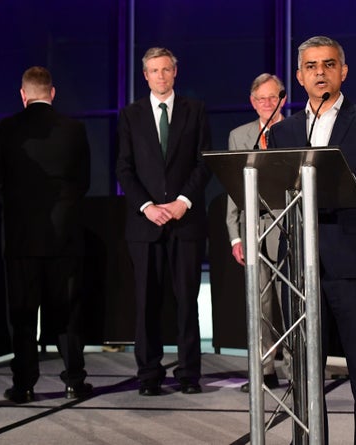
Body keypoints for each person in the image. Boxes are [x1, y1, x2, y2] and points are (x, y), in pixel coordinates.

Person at [267, 36, 356, 444]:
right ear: (300, 76)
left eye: (328, 64)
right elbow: (273, 187)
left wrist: (338, 177)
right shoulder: (284, 130)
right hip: (299, 268)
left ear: (343, 71)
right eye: (311, 66)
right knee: (304, 373)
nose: (319, 72)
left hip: (354, 264)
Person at [0, 66, 92, 403]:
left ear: (23, 94)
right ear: (52, 92)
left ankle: (24, 385)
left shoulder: (7, 128)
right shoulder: (74, 129)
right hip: (65, 236)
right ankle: (74, 380)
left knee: (22, 313)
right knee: (68, 311)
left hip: (21, 237)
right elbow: (83, 181)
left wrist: (20, 209)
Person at [116, 47, 212, 396]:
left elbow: (204, 162)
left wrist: (183, 202)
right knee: (146, 303)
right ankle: (149, 375)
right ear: (145, 75)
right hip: (145, 225)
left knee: (188, 301)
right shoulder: (130, 115)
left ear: (175, 72)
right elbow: (123, 168)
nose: (160, 76)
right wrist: (147, 206)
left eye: (166, 69)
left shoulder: (195, 110)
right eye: (154, 71)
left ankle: (188, 374)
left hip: (185, 222)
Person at [225, 73, 287, 392]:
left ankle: (295, 369)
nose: (266, 104)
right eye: (260, 99)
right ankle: (264, 369)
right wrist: (235, 235)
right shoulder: (239, 135)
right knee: (258, 304)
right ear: (252, 102)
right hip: (253, 229)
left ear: (283, 99)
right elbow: (234, 187)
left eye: (271, 97)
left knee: (289, 302)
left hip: (289, 228)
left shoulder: (296, 131)